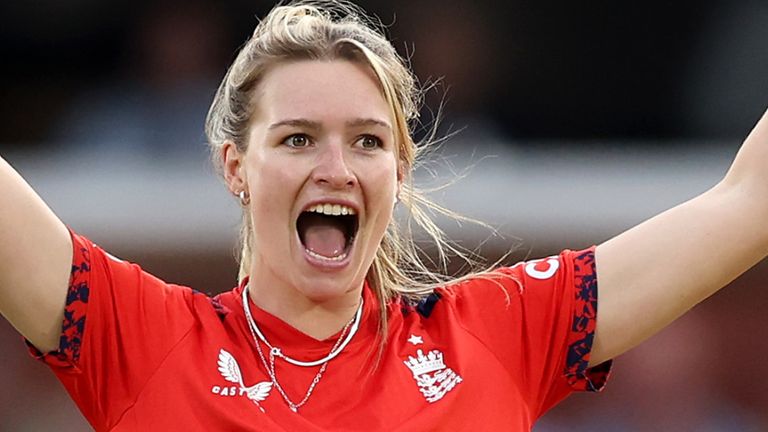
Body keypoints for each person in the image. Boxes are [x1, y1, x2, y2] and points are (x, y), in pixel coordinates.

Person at [0, 1, 766, 430]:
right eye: (297, 138)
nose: (335, 167)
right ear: (235, 166)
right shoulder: (142, 339)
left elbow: (748, 201)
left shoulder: (497, 335)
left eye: (366, 141)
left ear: (398, 171)